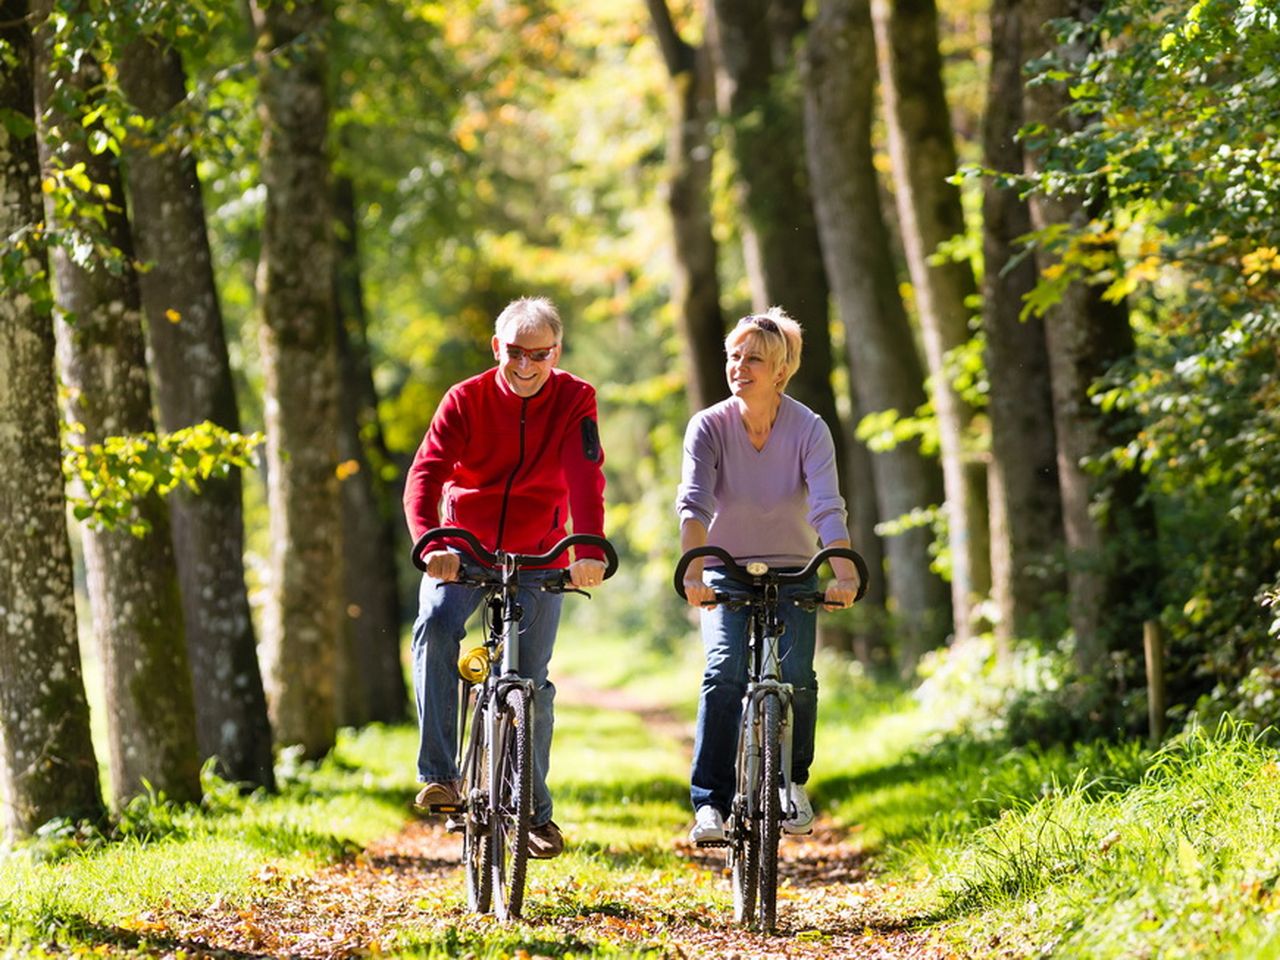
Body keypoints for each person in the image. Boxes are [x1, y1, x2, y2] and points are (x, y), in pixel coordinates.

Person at [403, 296, 608, 860]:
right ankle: (441, 774)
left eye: (539, 354)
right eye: (515, 352)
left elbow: (585, 475)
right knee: (438, 624)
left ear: (556, 352)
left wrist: (587, 547)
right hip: (461, 547)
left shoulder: (574, 398)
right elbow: (426, 475)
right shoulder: (464, 399)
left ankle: (534, 813)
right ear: (498, 347)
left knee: (532, 684)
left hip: (540, 551)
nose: (525, 366)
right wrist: (432, 542)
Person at [675, 307, 861, 844]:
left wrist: (843, 571)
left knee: (798, 677)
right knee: (724, 671)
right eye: (734, 356)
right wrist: (694, 568)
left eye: (753, 358)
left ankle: (792, 782)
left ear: (780, 371)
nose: (739, 366)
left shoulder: (809, 428)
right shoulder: (708, 425)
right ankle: (709, 804)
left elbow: (828, 507)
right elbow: (694, 504)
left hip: (795, 569)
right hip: (726, 573)